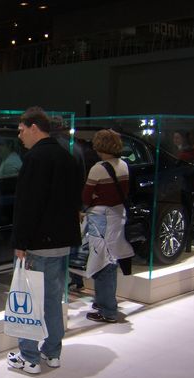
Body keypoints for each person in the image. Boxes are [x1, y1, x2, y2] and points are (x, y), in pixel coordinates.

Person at [7, 106, 83, 375]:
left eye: (21, 130)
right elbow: (74, 201)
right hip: (62, 242)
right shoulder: (67, 157)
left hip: (38, 243)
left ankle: (29, 357)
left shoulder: (35, 159)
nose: (19, 136)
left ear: (34, 127)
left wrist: (21, 242)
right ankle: (52, 353)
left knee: (29, 299)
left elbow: (28, 205)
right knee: (52, 298)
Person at [82, 129, 134, 323]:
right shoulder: (124, 165)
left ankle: (107, 309)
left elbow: (86, 196)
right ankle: (104, 302)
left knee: (102, 262)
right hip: (117, 215)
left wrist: (96, 197)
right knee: (109, 259)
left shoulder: (98, 169)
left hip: (100, 217)